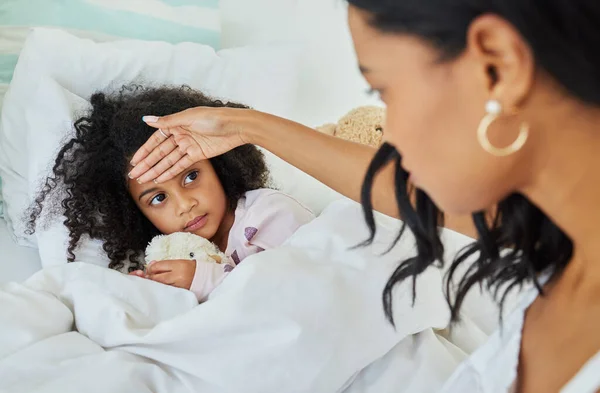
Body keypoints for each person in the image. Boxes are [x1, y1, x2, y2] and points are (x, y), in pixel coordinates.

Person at [128, 1, 600, 391]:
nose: (388, 129)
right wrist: (241, 125)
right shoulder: (557, 244)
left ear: (498, 64)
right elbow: (405, 193)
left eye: (386, 90)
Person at [27, 85, 315, 302]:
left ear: (218, 164)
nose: (184, 205)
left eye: (191, 176)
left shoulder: (269, 213)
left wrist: (201, 280)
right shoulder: (170, 255)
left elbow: (290, 295)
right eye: (158, 198)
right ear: (136, 215)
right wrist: (151, 295)